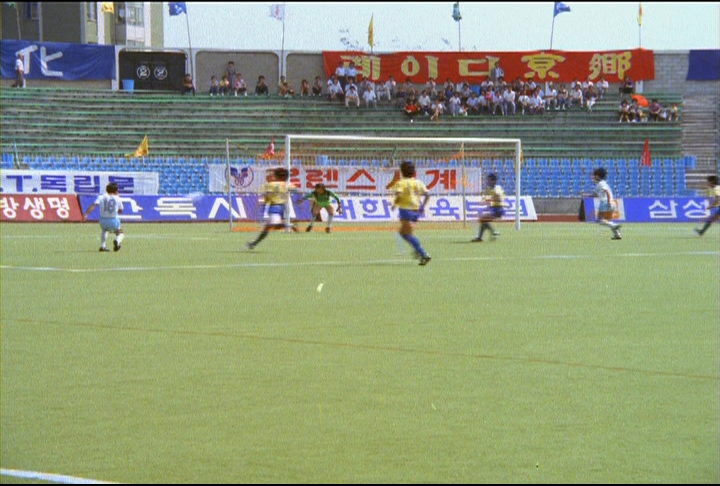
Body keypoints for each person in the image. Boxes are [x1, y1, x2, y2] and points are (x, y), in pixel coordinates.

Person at [391, 161, 431, 265]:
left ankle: (422, 253)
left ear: (402, 171)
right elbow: (427, 195)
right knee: (403, 233)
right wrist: (423, 207)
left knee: (406, 234)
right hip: (416, 211)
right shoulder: (418, 182)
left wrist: (394, 204)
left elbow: (399, 194)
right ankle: (418, 251)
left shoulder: (400, 183)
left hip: (405, 210)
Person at [246, 167, 295, 250]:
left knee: (274, 225)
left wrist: (263, 199)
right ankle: (254, 243)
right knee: (267, 227)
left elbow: (267, 194)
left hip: (274, 206)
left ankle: (289, 225)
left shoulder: (270, 185)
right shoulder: (288, 184)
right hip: (282, 207)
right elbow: (294, 189)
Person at [83, 182, 125, 252]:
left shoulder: (101, 197)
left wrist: (86, 214)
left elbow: (93, 205)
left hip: (103, 220)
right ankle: (117, 241)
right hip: (113, 220)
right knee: (120, 233)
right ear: (115, 191)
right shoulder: (117, 198)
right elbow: (121, 210)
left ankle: (102, 246)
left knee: (104, 230)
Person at [591, 167, 622, 240]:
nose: (593, 177)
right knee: (608, 220)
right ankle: (617, 234)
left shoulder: (601, 184)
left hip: (605, 202)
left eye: (595, 175)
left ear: (598, 176)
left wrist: (609, 201)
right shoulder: (602, 183)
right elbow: (596, 195)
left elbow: (607, 192)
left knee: (600, 220)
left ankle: (614, 225)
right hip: (610, 202)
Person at [472, 173, 504, 242]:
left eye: (489, 180)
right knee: (483, 220)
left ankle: (493, 232)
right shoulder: (493, 188)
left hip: (498, 209)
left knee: (482, 219)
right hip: (496, 209)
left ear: (493, 181)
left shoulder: (496, 189)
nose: (488, 182)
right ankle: (480, 237)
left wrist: (489, 200)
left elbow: (499, 198)